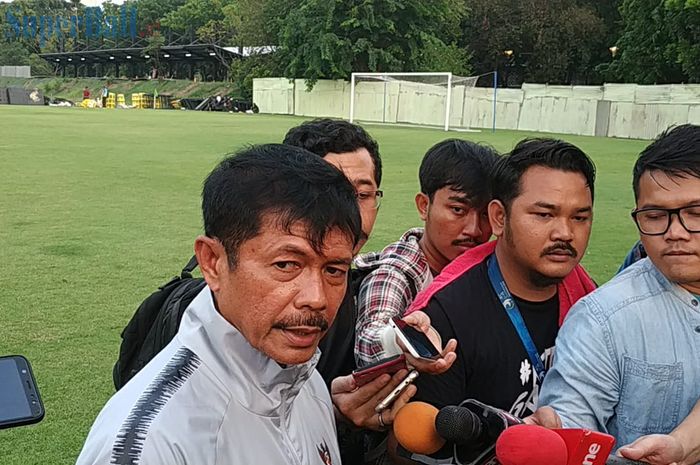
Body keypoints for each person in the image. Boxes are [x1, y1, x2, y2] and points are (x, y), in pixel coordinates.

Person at [76, 144, 363, 464]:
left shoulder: (304, 379)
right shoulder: (150, 444)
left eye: (334, 270)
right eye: (286, 265)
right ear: (212, 262)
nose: (317, 298)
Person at [391, 138, 598, 462]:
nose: (565, 233)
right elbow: (412, 449)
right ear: (499, 218)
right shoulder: (447, 314)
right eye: (544, 214)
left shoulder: (591, 301)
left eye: (580, 218)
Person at [537, 124, 700, 457]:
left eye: (696, 213)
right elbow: (570, 431)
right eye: (655, 216)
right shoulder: (602, 320)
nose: (676, 233)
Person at [354, 139, 499, 367]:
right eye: (458, 210)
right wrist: (402, 340)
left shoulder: (492, 268)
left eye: (484, 215)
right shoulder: (398, 273)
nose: (474, 230)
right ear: (424, 206)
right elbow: (370, 340)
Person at [283, 118, 383, 384]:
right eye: (334, 195)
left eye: (363, 195)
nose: (351, 216)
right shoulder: (260, 298)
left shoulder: (367, 288)